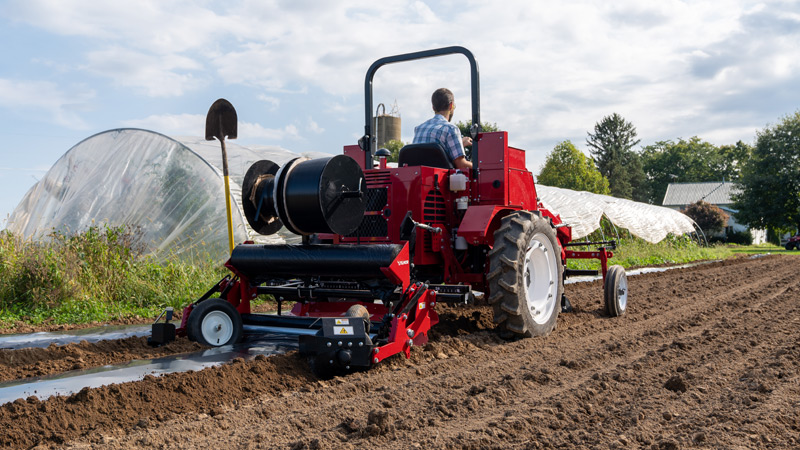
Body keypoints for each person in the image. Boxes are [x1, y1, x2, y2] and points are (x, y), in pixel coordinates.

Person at [412, 88, 473, 169]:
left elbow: (429, 157)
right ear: (451, 106)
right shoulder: (451, 129)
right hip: (440, 180)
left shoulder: (419, 129)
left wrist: (460, 144)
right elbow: (461, 165)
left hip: (417, 179)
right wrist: (478, 166)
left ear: (433, 107)